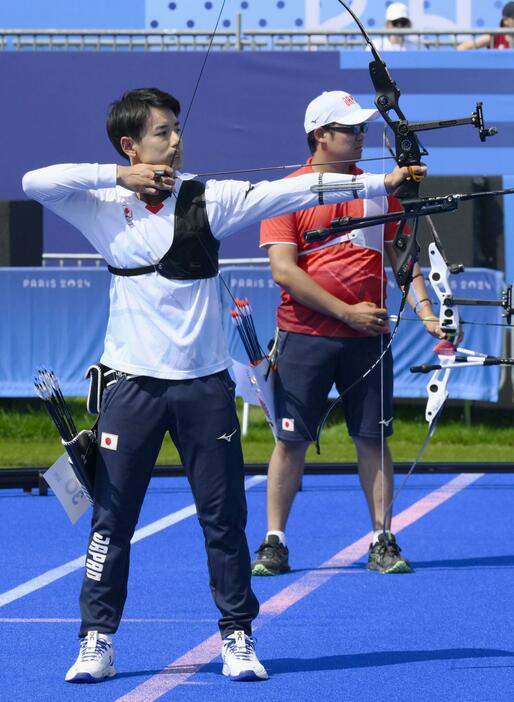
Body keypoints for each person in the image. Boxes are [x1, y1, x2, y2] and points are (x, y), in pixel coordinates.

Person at [21, 88, 424, 684]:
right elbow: (35, 180)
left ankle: (237, 634)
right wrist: (120, 176)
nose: (177, 140)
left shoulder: (209, 198)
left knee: (224, 520)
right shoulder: (103, 203)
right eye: (162, 133)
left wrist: (379, 185)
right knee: (111, 519)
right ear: (132, 146)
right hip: (131, 389)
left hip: (203, 390)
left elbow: (295, 189)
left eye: (177, 128)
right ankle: (97, 640)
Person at [251, 89, 441, 578]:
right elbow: (285, 272)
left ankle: (382, 539)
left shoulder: (379, 187)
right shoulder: (287, 192)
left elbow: (404, 257)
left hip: (367, 338)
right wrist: (347, 312)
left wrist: (427, 314)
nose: (360, 137)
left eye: (362, 129)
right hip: (305, 334)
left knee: (373, 440)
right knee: (290, 441)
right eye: (351, 129)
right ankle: (274, 541)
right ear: (320, 136)